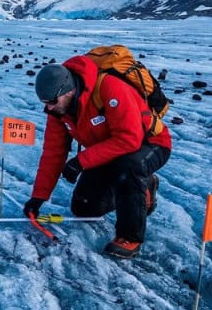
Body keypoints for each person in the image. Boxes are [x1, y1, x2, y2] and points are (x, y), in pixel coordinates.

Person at [24, 59, 171, 258]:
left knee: (128, 167)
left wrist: (80, 161)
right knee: (84, 207)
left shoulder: (109, 88)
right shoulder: (59, 111)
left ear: (68, 91)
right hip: (108, 151)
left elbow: (129, 139)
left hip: (150, 144)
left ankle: (130, 237)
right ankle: (141, 188)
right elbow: (53, 152)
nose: (49, 108)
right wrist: (38, 197)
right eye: (45, 103)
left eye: (51, 102)